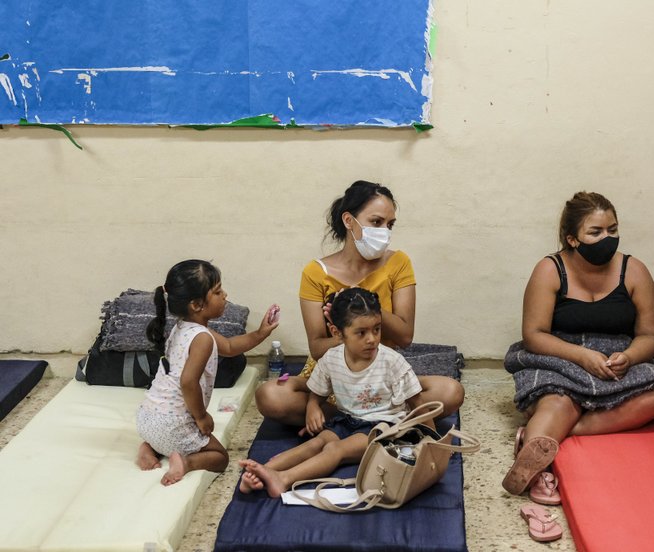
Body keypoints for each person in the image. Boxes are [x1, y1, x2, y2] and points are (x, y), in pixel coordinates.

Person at [503, 191, 654, 502]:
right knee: (558, 400)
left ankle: (544, 437)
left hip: (616, 358)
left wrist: (629, 356)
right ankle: (537, 470)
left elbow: (650, 335)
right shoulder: (550, 269)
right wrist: (581, 357)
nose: (607, 238)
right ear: (572, 239)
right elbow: (534, 334)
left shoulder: (634, 270)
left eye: (612, 229)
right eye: (595, 232)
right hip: (561, 354)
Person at [254, 180, 464, 426]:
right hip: (333, 378)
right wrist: (347, 333)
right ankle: (368, 419)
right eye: (376, 222)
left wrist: (365, 302)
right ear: (348, 221)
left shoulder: (399, 263)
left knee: (450, 392)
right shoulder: (315, 272)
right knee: (269, 396)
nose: (384, 231)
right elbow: (317, 348)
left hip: (380, 373)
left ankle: (353, 421)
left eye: (390, 225)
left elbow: (405, 337)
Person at [239, 287, 426, 496]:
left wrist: (431, 447)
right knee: (317, 442)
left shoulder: (392, 361)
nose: (372, 339)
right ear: (337, 333)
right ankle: (264, 470)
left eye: (377, 329)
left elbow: (419, 405)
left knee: (335, 450)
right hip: (347, 420)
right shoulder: (331, 358)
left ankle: (283, 479)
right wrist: (312, 407)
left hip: (383, 428)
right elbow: (316, 392)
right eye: (361, 333)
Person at [135, 259, 280, 486]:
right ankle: (185, 462)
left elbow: (230, 348)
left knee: (166, 436)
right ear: (196, 305)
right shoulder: (201, 338)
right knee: (220, 458)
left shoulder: (184, 327)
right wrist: (201, 417)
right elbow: (188, 382)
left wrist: (261, 333)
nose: (225, 295)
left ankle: (149, 447)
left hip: (146, 419)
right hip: (171, 424)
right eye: (218, 291)